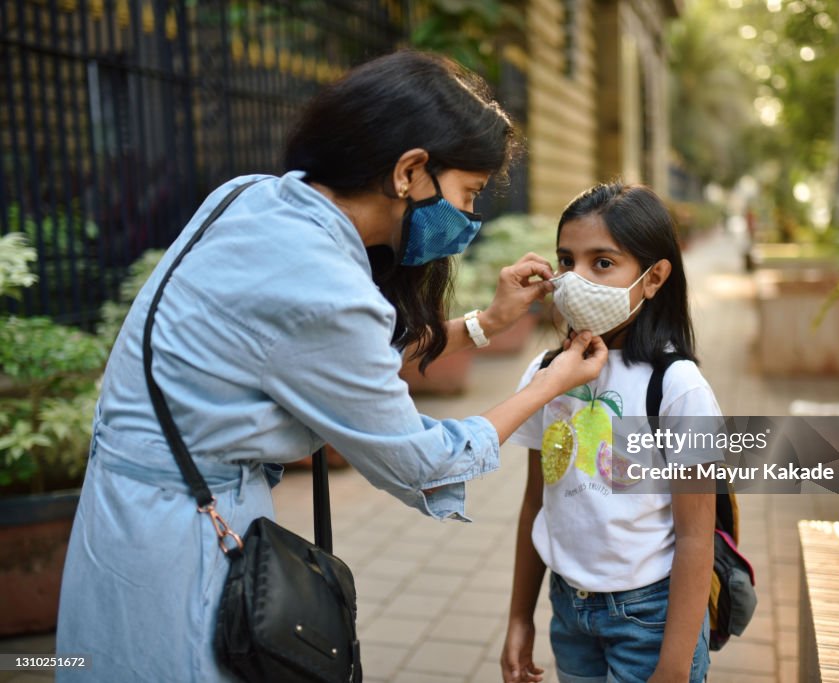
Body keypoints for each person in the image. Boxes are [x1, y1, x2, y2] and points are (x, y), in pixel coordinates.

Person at [56, 50, 607, 682]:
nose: (470, 219)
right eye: (469, 194)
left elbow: (317, 365)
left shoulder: (249, 198)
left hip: (125, 505)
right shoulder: (327, 286)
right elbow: (424, 463)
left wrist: (486, 323)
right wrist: (548, 384)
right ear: (409, 172)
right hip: (181, 537)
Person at [500, 183, 718, 683]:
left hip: (650, 618)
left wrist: (674, 665)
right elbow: (538, 503)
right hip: (569, 610)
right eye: (566, 260)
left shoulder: (678, 387)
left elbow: (694, 537)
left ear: (654, 276)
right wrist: (519, 617)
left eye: (602, 263)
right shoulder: (545, 373)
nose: (575, 280)